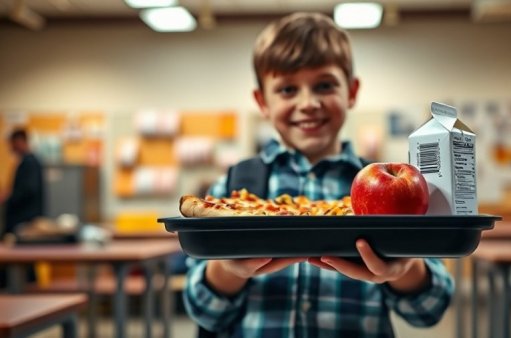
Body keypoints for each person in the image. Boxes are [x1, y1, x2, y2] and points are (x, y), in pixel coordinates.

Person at [183, 12, 454, 337]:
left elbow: (431, 308)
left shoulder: (392, 191)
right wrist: (227, 267)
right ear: (262, 101)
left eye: (324, 85)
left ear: (352, 91)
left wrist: (405, 268)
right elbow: (201, 311)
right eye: (287, 90)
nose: (308, 103)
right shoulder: (233, 186)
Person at [0, 128, 45, 238]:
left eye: (13, 143)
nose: (11, 148)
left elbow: (29, 189)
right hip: (24, 219)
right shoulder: (27, 162)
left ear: (20, 141)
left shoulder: (29, 163)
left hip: (25, 220)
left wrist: (9, 196)